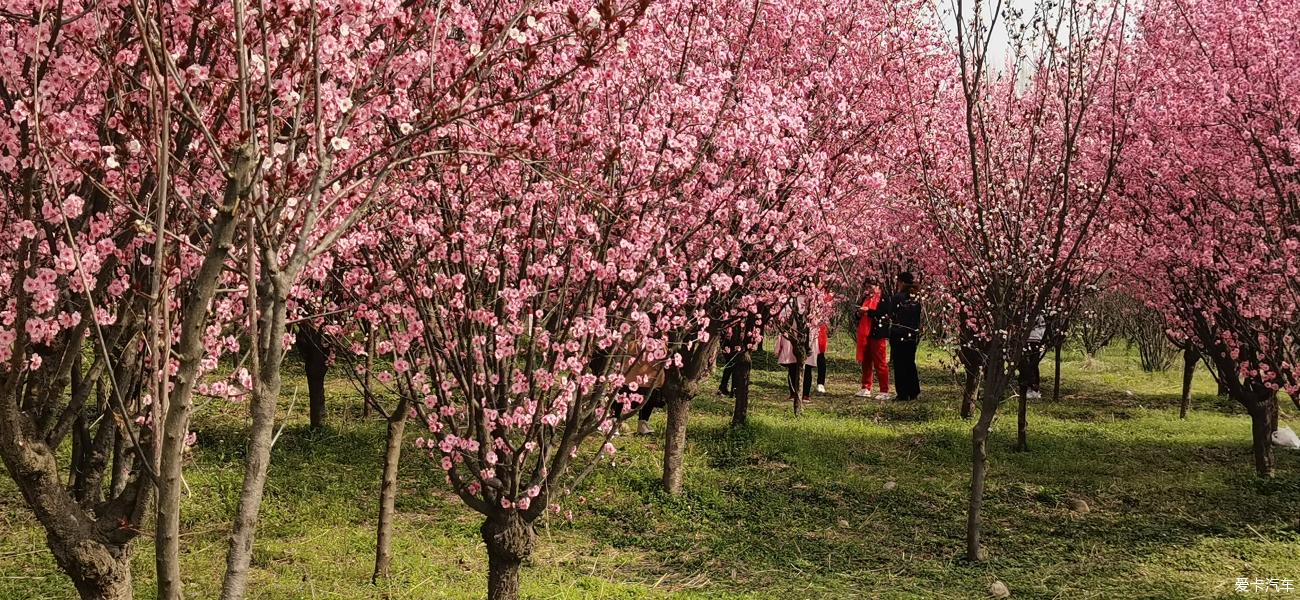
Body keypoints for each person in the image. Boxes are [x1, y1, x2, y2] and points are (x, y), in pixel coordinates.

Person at [871, 272, 923, 401]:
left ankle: (903, 393)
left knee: (900, 364)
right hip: (911, 334)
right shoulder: (916, 298)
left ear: (901, 282)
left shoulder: (898, 297)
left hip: (898, 334)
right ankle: (914, 391)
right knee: (910, 363)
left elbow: (892, 314)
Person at [855, 279, 890, 399]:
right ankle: (866, 387)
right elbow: (857, 313)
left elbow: (883, 313)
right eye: (867, 287)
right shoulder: (865, 298)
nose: (869, 289)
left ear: (878, 286)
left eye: (871, 286)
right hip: (865, 334)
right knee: (866, 361)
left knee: (880, 362)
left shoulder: (884, 299)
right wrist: (859, 314)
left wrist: (868, 311)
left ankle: (884, 390)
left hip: (877, 334)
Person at [1020, 313, 1047, 400]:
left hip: (1036, 341)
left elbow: (1043, 328)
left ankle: (1034, 388)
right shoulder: (1024, 313)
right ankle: (1029, 387)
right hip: (1026, 340)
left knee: (1033, 365)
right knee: (1026, 365)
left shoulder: (1039, 316)